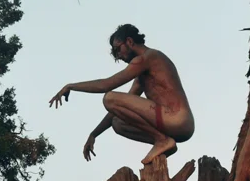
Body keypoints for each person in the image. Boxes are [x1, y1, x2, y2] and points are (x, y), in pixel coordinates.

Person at [50, 24, 195, 166]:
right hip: (176, 124)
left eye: (118, 49)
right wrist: (94, 134)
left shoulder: (147, 58)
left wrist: (71, 86)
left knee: (109, 97)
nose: (118, 56)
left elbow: (106, 85)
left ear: (129, 42)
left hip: (177, 118)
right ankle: (163, 141)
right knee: (118, 123)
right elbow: (120, 108)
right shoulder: (143, 74)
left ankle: (162, 140)